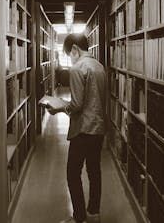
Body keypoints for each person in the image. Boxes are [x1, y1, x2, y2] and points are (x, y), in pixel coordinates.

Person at [46, 33, 107, 223]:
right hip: (98, 128)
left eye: (68, 54)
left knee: (73, 173)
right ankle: (94, 213)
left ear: (74, 49)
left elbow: (77, 104)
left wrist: (59, 107)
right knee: (94, 170)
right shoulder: (99, 66)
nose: (69, 58)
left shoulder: (77, 68)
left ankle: (79, 217)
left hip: (82, 129)